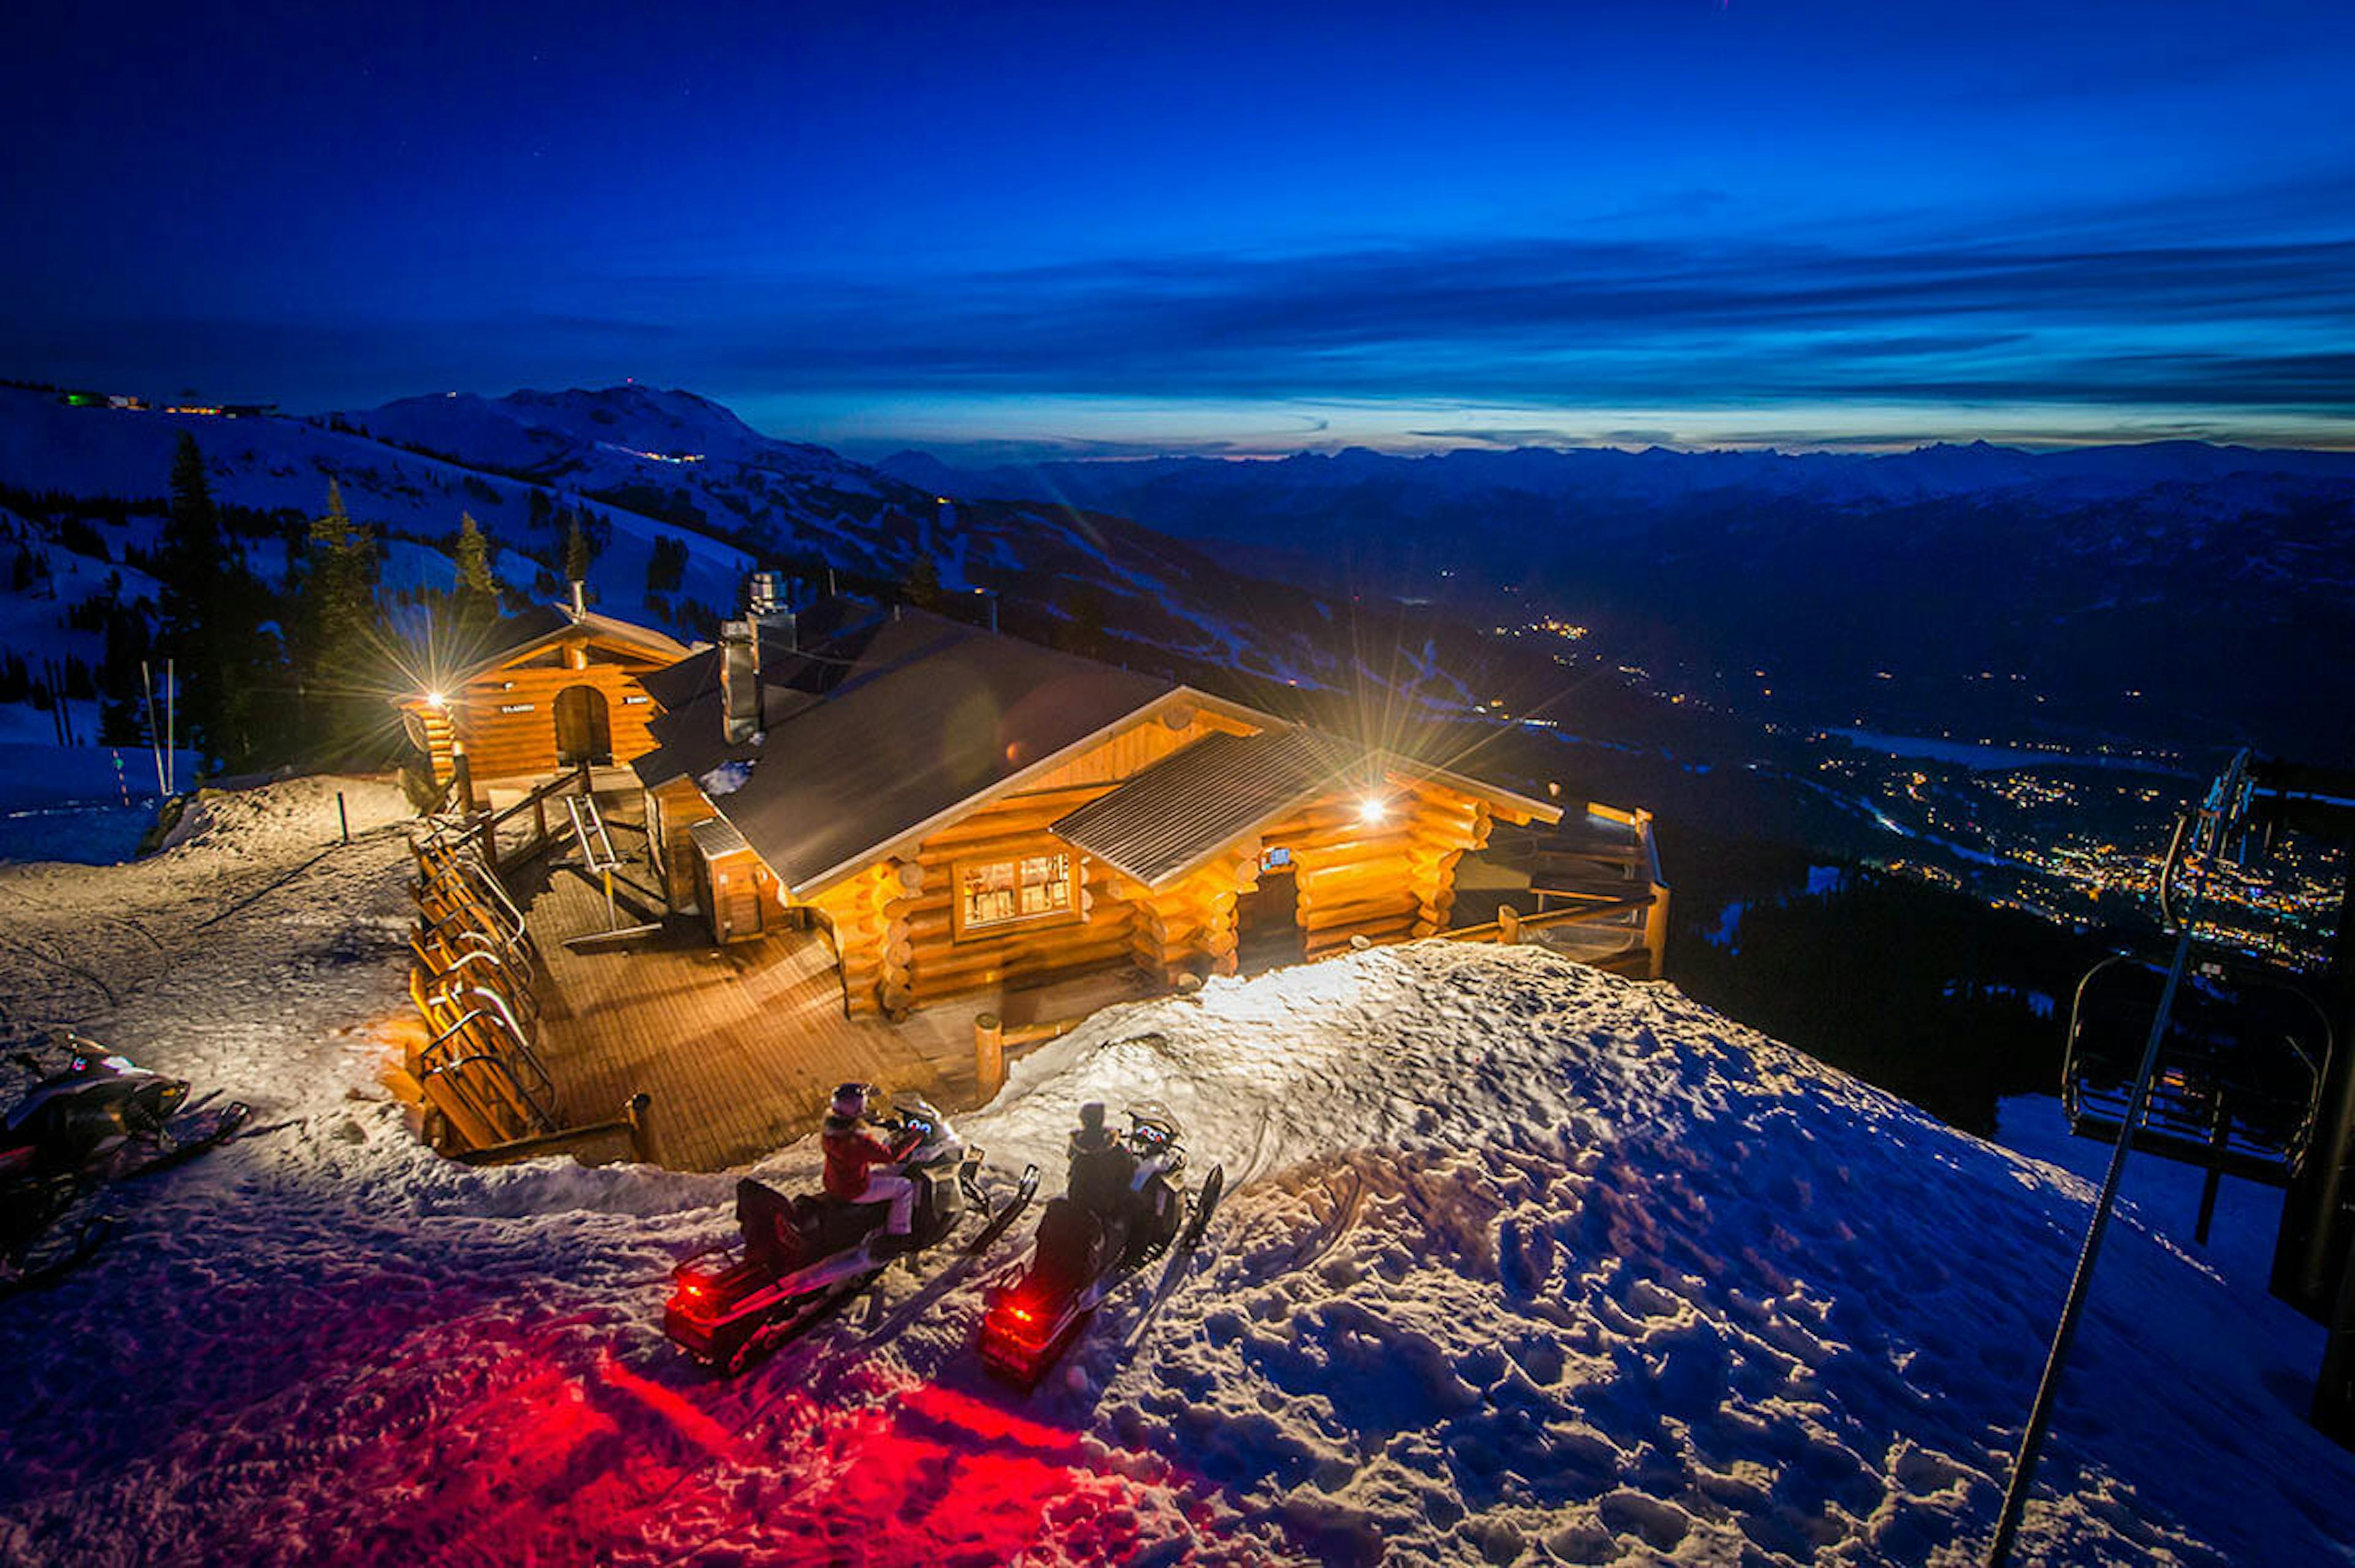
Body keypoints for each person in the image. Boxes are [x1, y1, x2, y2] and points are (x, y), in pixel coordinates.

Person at [820, 1082, 919, 1241]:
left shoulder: (831, 1129)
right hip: (855, 1189)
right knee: (905, 1187)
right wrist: (915, 1136)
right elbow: (890, 1156)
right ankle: (899, 1234)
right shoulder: (856, 1140)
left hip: (838, 1182)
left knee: (894, 1172)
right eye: (864, 1103)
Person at [1065, 1102, 1136, 1218]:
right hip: (1108, 1206)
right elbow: (1128, 1171)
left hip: (1077, 1201)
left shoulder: (1077, 1144)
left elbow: (1070, 1161)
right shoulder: (1113, 1146)